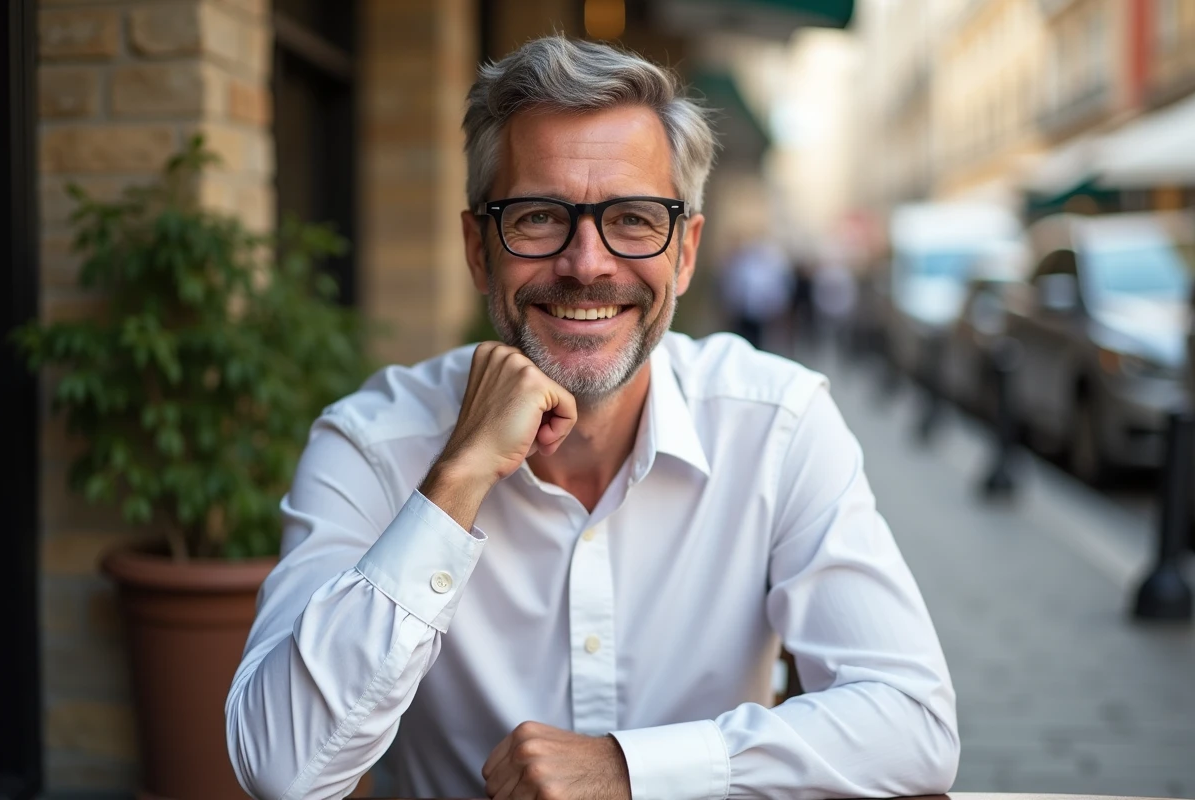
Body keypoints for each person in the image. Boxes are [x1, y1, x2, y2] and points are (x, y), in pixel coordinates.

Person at [227, 36, 958, 800]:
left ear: (685, 253)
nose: (587, 264)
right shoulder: (372, 443)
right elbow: (283, 769)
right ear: (478, 249)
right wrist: (454, 483)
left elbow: (914, 726)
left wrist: (628, 769)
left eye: (634, 219)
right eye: (539, 217)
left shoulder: (778, 425)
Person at [717, 236, 792, 351]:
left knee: (757, 339)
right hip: (742, 309)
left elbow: (775, 289)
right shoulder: (742, 265)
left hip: (760, 311)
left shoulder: (769, 267)